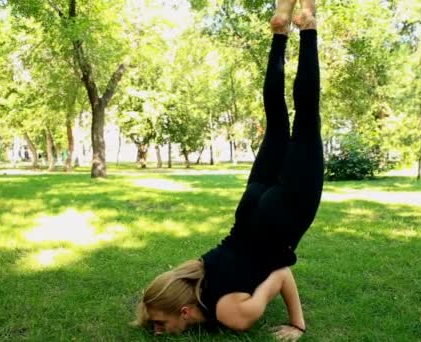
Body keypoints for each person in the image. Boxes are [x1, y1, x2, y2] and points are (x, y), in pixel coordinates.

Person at [135, 0, 322, 340]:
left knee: (306, 119)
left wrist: (297, 323)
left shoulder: (230, 314)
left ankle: (307, 27)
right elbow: (273, 270)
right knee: (277, 119)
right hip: (250, 208)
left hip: (280, 218)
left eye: (160, 324)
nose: (160, 333)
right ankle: (280, 32)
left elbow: (279, 274)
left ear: (185, 310)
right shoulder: (199, 269)